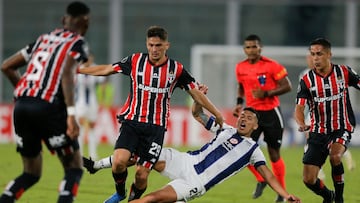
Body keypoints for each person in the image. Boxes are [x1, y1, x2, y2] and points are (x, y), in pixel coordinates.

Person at [78, 25, 224, 203]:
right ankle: (120, 193)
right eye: (151, 45)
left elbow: (196, 92)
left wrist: (216, 112)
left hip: (155, 128)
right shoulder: (135, 61)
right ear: (147, 44)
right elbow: (106, 69)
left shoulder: (176, 70)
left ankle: (133, 201)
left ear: (166, 46)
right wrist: (78, 70)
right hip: (132, 121)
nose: (154, 49)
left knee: (141, 174)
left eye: (158, 45)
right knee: (119, 162)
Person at [82, 97, 302, 203]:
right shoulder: (224, 129)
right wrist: (199, 100)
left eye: (249, 118)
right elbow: (197, 114)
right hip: (183, 160)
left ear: (256, 126)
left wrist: (286, 195)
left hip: (195, 182)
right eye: (242, 115)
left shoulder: (253, 150)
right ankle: (96, 165)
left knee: (150, 200)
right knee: (140, 153)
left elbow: (269, 177)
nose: (243, 118)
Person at [0, 2, 90, 203]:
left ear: (63, 20)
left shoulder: (42, 40)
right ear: (86, 22)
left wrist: (26, 93)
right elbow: (67, 73)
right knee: (74, 167)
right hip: (48, 108)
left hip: (21, 107)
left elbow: (6, 66)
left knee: (30, 173)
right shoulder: (77, 43)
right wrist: (72, 114)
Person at [295, 38, 360, 203]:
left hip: (341, 127)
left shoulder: (344, 72)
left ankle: (339, 199)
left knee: (335, 156)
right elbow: (299, 107)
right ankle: (328, 196)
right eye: (313, 54)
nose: (315, 58)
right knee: (308, 180)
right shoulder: (307, 80)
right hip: (318, 131)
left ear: (329, 54)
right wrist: (302, 123)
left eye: (319, 54)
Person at [233, 34, 292, 202]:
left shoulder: (272, 65)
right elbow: (241, 86)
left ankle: (281, 192)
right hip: (252, 114)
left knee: (274, 154)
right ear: (244, 49)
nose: (251, 50)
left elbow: (287, 86)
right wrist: (238, 103)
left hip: (271, 113)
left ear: (260, 48)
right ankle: (261, 179)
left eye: (254, 46)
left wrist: (267, 93)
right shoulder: (240, 67)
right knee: (242, 152)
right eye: (248, 47)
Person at [75, 53, 105, 159]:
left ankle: (93, 153)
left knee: (92, 127)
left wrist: (102, 98)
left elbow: (102, 82)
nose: (90, 61)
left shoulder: (94, 68)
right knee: (81, 125)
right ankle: (80, 153)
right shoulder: (78, 69)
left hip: (92, 102)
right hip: (81, 102)